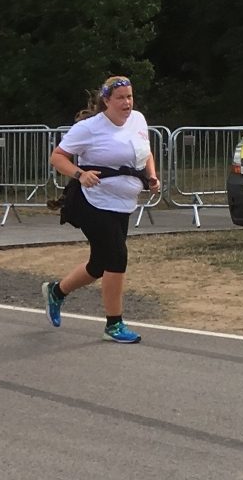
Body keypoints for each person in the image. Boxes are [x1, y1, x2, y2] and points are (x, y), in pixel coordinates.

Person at [42, 76, 160, 344]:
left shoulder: (139, 120)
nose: (127, 102)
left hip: (123, 204)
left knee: (99, 264)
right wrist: (80, 174)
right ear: (106, 101)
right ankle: (114, 324)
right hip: (92, 201)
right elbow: (58, 156)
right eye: (120, 98)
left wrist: (151, 176)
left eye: (129, 97)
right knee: (117, 257)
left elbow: (146, 153)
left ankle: (56, 292)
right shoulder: (90, 127)